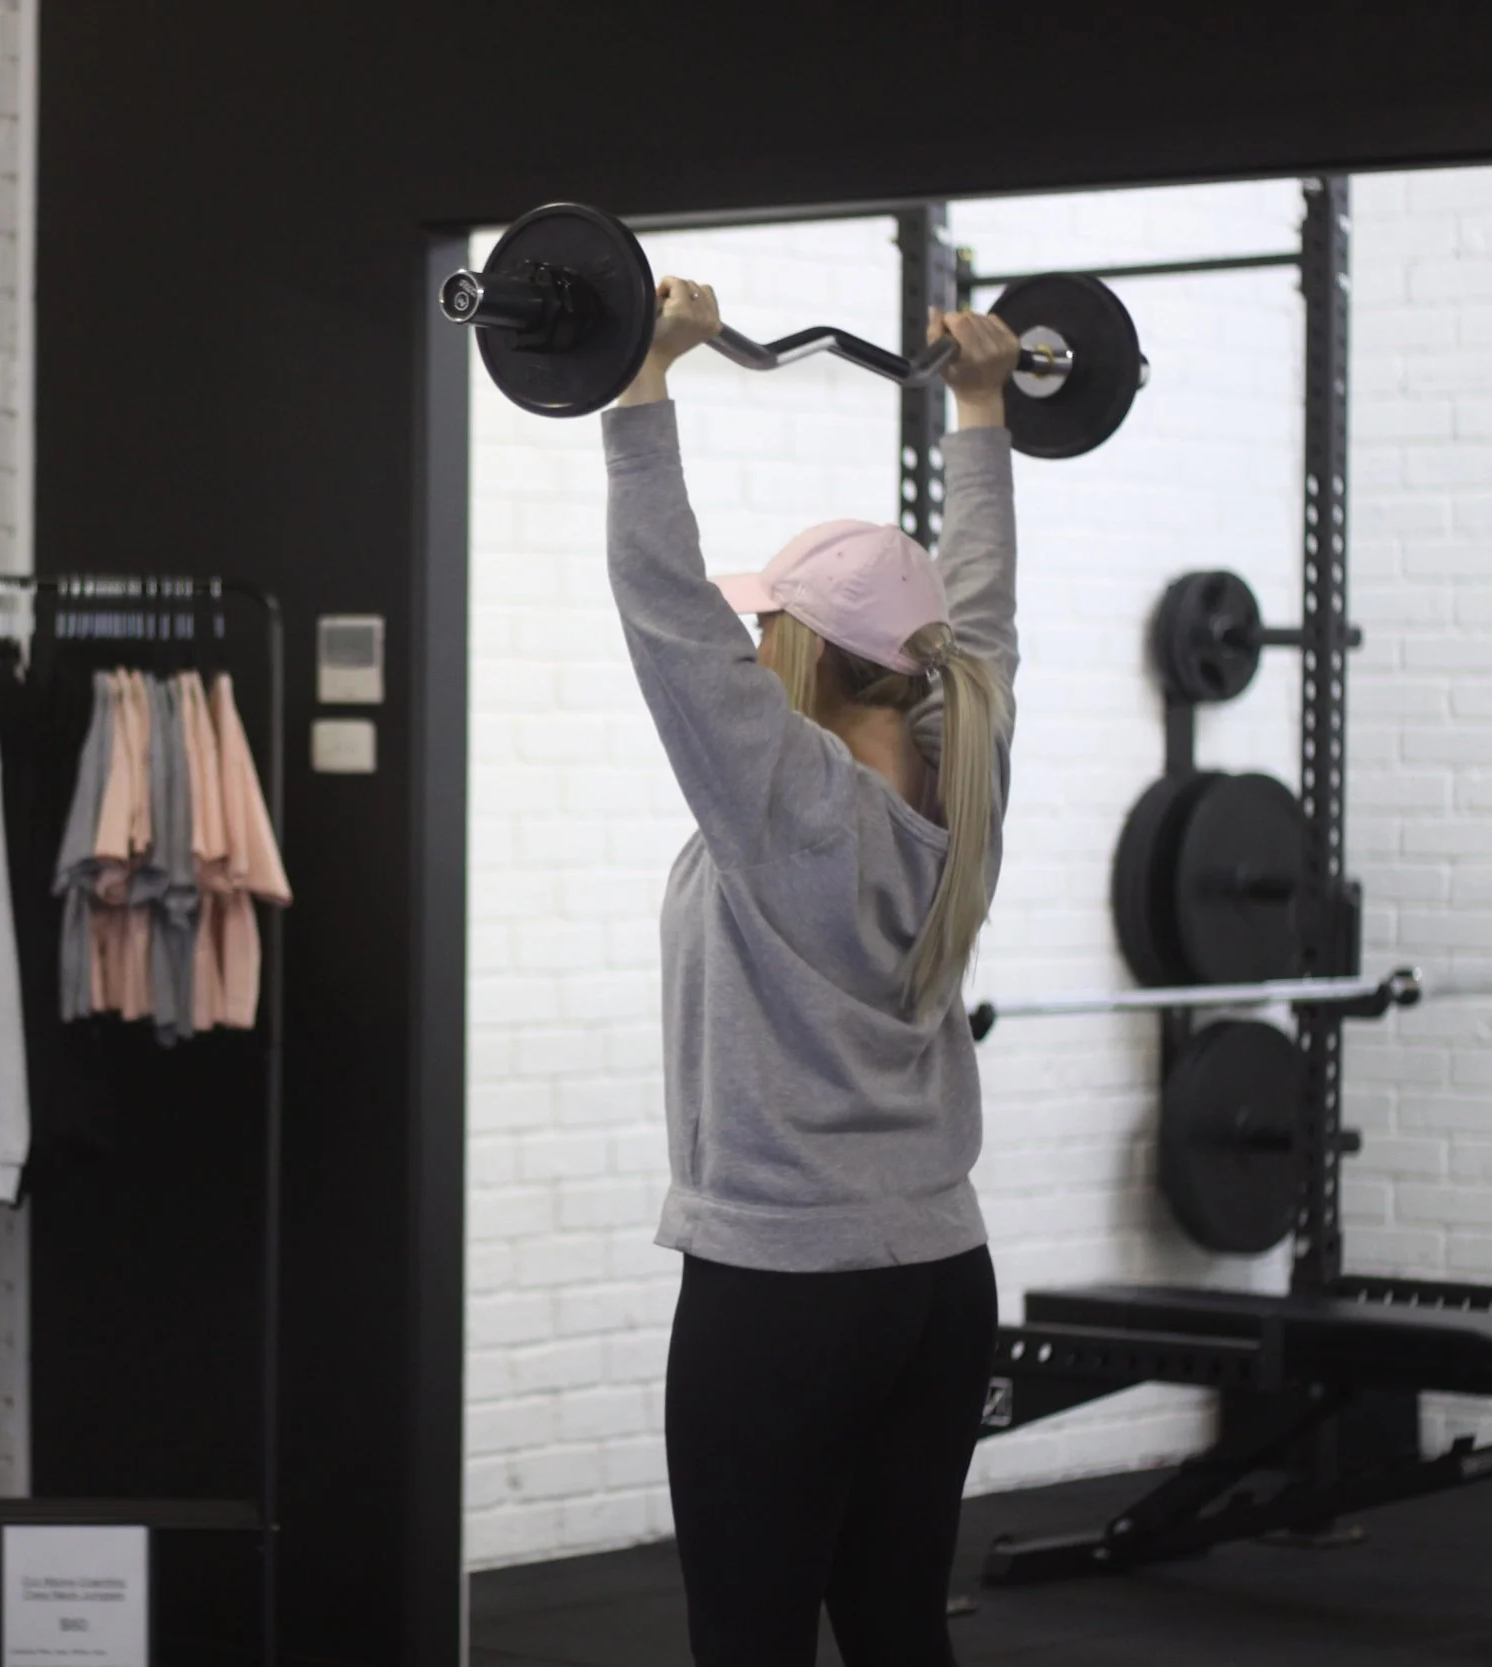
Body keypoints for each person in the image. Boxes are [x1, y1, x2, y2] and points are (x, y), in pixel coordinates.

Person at [603, 275, 1022, 1667]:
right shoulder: (965, 765)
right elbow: (980, 613)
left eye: (772, 628)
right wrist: (981, 410)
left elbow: (668, 614)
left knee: (750, 1639)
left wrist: (641, 382)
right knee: (899, 1627)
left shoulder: (786, 800)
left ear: (807, 653)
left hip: (785, 1295)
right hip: (937, 1279)